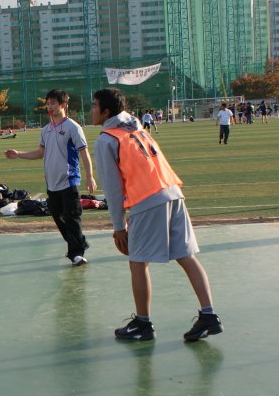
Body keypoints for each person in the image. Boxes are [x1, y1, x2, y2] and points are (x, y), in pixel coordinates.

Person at [90, 88, 223, 342]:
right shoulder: (136, 127)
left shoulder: (107, 140)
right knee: (186, 256)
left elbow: (113, 189)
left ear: (106, 111)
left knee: (137, 262)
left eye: (95, 105)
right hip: (172, 192)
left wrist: (118, 227)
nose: (92, 110)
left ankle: (143, 323)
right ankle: (209, 315)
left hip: (147, 199)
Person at [5, 88, 97, 266]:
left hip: (69, 180)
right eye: (47, 103)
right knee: (58, 217)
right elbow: (40, 153)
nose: (50, 106)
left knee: (72, 217)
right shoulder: (46, 130)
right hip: (52, 183)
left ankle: (76, 253)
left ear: (63, 105)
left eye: (53, 103)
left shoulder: (73, 127)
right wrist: (18, 154)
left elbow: (84, 153)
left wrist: (90, 176)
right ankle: (78, 242)